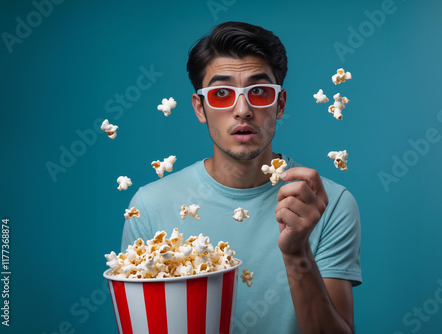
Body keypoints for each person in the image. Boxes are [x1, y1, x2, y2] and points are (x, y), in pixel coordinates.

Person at [121, 21, 361, 333]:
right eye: (222, 93)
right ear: (200, 108)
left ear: (280, 104)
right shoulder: (149, 206)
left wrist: (297, 252)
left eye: (259, 91)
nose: (243, 109)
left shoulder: (327, 204)